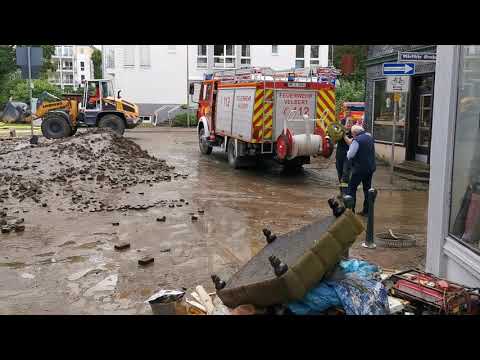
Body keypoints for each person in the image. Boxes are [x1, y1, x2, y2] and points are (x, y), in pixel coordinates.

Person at [344, 125, 376, 216]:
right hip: (370, 168)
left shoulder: (357, 140)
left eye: (352, 134)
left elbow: (350, 155)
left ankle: (351, 211)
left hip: (359, 169)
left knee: (351, 188)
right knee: (367, 189)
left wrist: (347, 152)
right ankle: (367, 211)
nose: (352, 136)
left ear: (355, 133)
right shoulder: (369, 137)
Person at [335, 111, 353, 196]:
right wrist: (337, 132)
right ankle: (342, 192)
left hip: (348, 157)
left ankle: (345, 194)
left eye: (351, 122)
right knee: (340, 174)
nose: (350, 124)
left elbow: (349, 143)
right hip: (339, 156)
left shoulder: (353, 132)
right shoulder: (340, 132)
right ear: (343, 124)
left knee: (345, 174)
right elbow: (334, 141)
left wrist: (343, 135)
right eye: (348, 122)